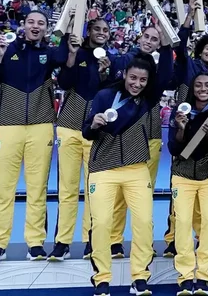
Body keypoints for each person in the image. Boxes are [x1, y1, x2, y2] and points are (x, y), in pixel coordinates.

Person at [0, 11, 68, 263]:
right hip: (8, 126)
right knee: (2, 189)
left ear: (46, 28)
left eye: (41, 23)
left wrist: (65, 27)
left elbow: (63, 56)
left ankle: (35, 243)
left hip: (41, 127)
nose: (36, 26)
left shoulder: (50, 54)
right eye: (31, 22)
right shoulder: (7, 50)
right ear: (23, 25)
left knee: (37, 188)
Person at [83, 53, 165, 296]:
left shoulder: (147, 99)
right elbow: (86, 131)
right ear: (125, 75)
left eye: (142, 80)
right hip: (103, 169)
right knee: (101, 224)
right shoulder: (105, 95)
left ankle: (139, 276)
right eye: (133, 78)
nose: (137, 84)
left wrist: (170, 38)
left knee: (143, 223)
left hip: (136, 169)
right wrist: (95, 125)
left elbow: (167, 75)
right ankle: (102, 278)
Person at [164, 0, 208, 258]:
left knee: (206, 189)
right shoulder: (188, 66)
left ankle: (205, 240)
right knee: (178, 191)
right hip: (184, 129)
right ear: (200, 50)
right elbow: (179, 46)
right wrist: (189, 17)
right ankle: (173, 238)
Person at [51, 17, 113, 261]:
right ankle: (62, 242)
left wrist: (103, 74)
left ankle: (90, 241)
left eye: (105, 30)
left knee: (93, 190)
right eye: (97, 29)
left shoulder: (110, 59)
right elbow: (65, 83)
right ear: (88, 31)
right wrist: (72, 55)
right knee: (67, 188)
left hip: (95, 132)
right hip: (68, 127)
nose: (101, 33)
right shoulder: (76, 51)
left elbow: (108, 92)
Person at [109, 25, 174, 258]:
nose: (149, 41)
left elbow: (168, 74)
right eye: (146, 36)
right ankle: (114, 241)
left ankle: (143, 244)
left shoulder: (157, 74)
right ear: (139, 37)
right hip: (122, 137)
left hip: (151, 138)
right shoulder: (122, 61)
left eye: (155, 39)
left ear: (159, 44)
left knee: (144, 198)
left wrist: (167, 46)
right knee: (118, 195)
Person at [168, 73, 208, 296]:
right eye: (198, 85)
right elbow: (173, 148)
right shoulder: (181, 110)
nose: (203, 88)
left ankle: (204, 275)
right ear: (192, 88)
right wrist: (181, 127)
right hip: (183, 174)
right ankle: (186, 276)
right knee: (182, 223)